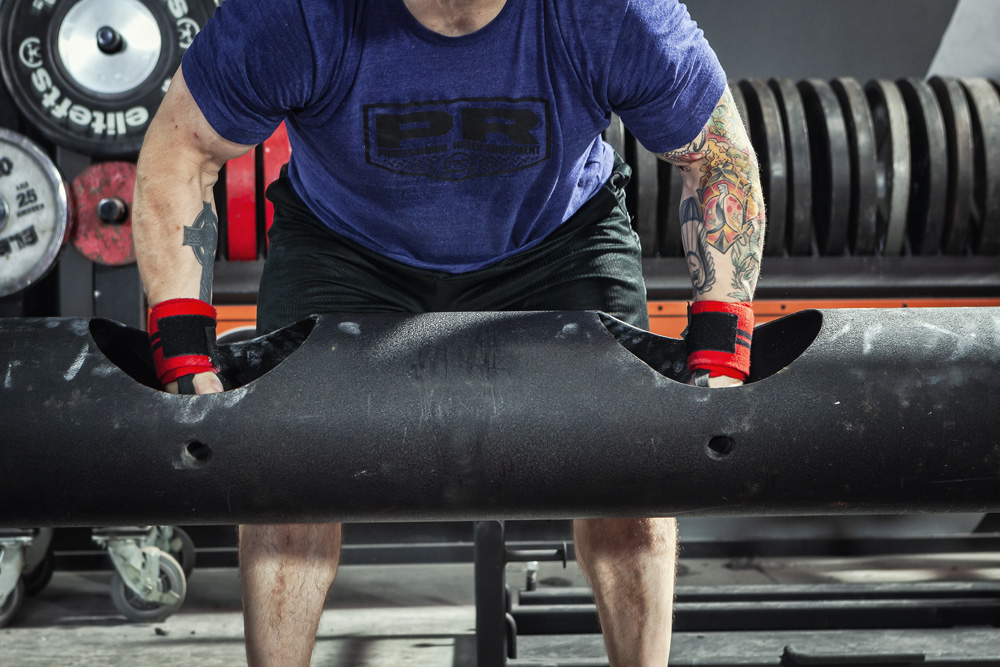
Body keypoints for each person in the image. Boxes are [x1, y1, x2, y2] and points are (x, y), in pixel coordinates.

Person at [132, 0, 765, 664]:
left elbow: (717, 154)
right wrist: (183, 349)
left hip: (556, 241)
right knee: (286, 470)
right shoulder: (297, 11)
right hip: (345, 248)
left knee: (633, 465)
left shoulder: (605, 9)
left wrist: (721, 347)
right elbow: (184, 145)